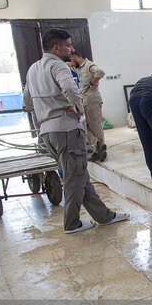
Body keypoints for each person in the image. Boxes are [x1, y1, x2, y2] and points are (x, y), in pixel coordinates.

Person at [23, 28, 128, 234]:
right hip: (65, 129)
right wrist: (79, 108)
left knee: (79, 175)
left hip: (47, 132)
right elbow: (70, 89)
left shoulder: (33, 69)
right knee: (73, 177)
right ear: (57, 47)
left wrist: (43, 108)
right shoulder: (58, 66)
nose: (71, 49)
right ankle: (71, 223)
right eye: (68, 45)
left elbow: (26, 100)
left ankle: (103, 216)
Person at [70, 51, 106, 162]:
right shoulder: (79, 68)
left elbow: (100, 72)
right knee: (86, 127)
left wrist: (92, 83)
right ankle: (96, 148)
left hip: (92, 100)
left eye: (72, 60)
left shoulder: (89, 65)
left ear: (75, 57)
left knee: (95, 125)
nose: (71, 64)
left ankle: (101, 148)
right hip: (84, 101)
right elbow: (68, 65)